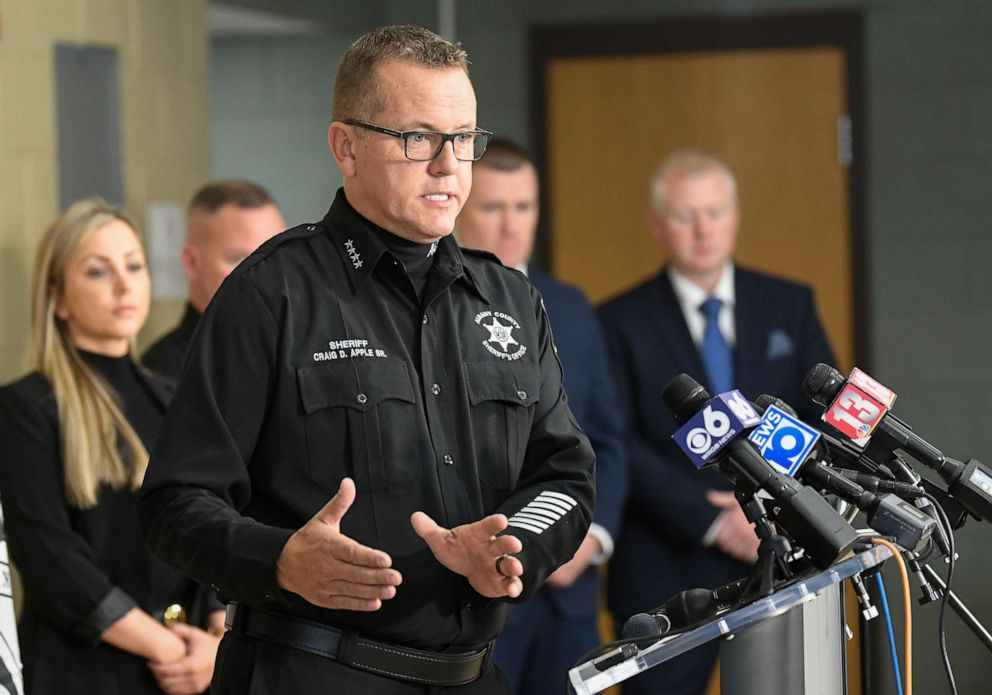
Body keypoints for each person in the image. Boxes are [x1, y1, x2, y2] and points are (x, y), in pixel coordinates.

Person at [138, 25, 595, 695]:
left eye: (463, 138)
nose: (448, 165)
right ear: (345, 148)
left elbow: (566, 474)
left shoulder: (509, 298)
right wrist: (280, 560)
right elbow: (173, 503)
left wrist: (510, 546)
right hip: (312, 672)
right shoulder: (270, 294)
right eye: (418, 138)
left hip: (473, 676)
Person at [597, 149, 837, 695]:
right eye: (686, 216)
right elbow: (613, 440)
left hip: (782, 546)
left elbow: (823, 413)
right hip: (665, 561)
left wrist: (774, 496)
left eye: (715, 212)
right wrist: (710, 519)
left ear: (734, 215)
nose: (703, 229)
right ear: (658, 225)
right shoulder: (615, 320)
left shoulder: (788, 304)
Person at [0, 199, 224, 695]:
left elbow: (209, 525)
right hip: (84, 671)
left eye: (134, 266)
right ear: (57, 298)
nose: (124, 285)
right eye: (98, 271)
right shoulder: (26, 409)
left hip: (189, 668)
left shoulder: (173, 397)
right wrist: (165, 647)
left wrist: (215, 640)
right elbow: (51, 562)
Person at [455, 138, 627, 694]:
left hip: (569, 595)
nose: (511, 225)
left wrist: (592, 536)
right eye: (493, 207)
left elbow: (607, 436)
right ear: (459, 205)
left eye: (524, 207)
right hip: (482, 591)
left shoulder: (571, 305)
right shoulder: (435, 303)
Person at [142, 180, 285, 381]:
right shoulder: (160, 376)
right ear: (192, 262)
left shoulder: (301, 352)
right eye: (240, 259)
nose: (264, 274)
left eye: (274, 255)